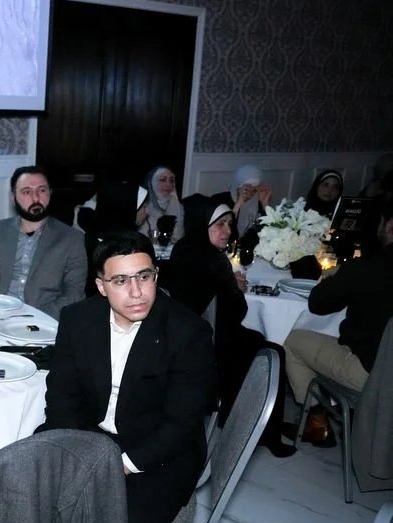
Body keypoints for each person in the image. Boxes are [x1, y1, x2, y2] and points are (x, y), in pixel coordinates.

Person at [35, 230, 216, 523]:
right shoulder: (77, 319)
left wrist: (123, 464)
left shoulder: (189, 332)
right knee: (28, 496)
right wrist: (79, 450)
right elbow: (62, 396)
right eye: (120, 281)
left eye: (144, 276)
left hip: (159, 452)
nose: (136, 292)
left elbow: (181, 424)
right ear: (101, 286)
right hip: (90, 435)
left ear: (156, 276)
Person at [161, 196, 292, 456]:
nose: (228, 231)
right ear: (203, 225)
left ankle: (239, 415)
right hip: (207, 344)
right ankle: (266, 431)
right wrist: (234, 287)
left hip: (182, 336)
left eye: (229, 224)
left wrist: (227, 284)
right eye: (220, 224)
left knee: (254, 340)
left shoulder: (184, 247)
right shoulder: (214, 259)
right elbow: (237, 311)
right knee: (273, 352)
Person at [283, 198, 393, 444]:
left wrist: (336, 276)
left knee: (291, 340)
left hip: (373, 374)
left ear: (388, 226)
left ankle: (316, 423)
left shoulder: (367, 267)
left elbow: (318, 304)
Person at [0, 166, 87, 319]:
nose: (36, 198)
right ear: (13, 198)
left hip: (43, 320)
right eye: (26, 192)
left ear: (50, 193)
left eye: (42, 190)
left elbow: (75, 294)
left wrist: (37, 318)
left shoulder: (71, 239)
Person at [210, 164, 271, 249]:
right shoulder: (220, 200)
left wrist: (265, 203)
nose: (250, 194)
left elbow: (269, 232)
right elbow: (224, 231)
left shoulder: (258, 200)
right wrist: (239, 203)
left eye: (254, 189)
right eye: (246, 189)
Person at [139, 166, 185, 244]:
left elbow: (179, 238)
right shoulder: (142, 207)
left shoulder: (177, 206)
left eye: (171, 180)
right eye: (163, 180)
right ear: (153, 182)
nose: (168, 184)